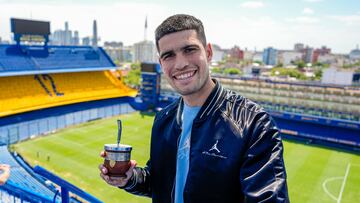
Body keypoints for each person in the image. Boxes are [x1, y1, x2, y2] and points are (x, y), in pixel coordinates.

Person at [99, 14, 289, 202]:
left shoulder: (253, 123)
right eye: (169, 55)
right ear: (161, 63)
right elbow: (160, 183)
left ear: (208, 52)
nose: (180, 64)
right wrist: (130, 178)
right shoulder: (164, 118)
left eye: (189, 49)